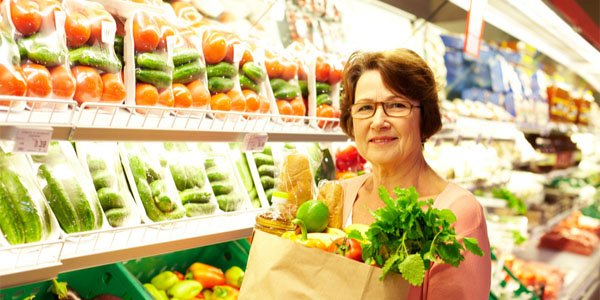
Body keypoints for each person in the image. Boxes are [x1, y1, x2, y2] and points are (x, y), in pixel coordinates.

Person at [339, 48, 491, 299]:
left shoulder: (458, 215)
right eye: (365, 108)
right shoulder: (342, 195)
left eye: (397, 105)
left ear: (424, 117)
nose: (378, 121)